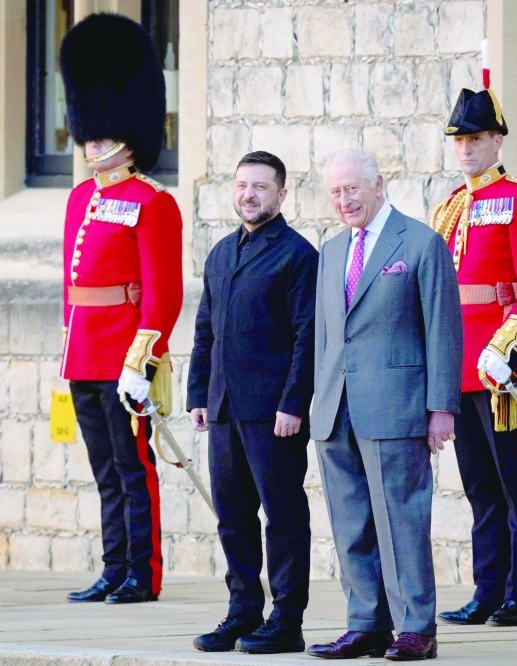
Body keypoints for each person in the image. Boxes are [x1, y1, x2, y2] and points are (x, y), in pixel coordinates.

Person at [307, 148, 463, 662]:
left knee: (401, 521)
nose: (344, 200)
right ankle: (365, 624)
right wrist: (317, 401)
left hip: (397, 406)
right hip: (337, 408)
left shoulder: (421, 243)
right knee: (350, 522)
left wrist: (441, 408)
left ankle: (416, 627)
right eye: (335, 192)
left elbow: (444, 330)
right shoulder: (330, 251)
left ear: (378, 184)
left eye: (352, 188)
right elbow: (327, 337)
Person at [59, 13, 183, 605]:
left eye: (101, 135)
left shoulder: (151, 202)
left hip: (125, 354)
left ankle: (142, 572)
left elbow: (164, 292)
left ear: (126, 133)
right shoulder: (81, 197)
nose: (91, 145)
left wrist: (144, 357)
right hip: (84, 352)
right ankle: (113, 568)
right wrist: (70, 348)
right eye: (88, 134)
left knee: (135, 470)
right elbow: (72, 284)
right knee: (105, 472)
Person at [431, 51, 517, 628]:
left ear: (498, 141)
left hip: (501, 360)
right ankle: (486, 591)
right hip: (460, 363)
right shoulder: (450, 208)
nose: (466, 149)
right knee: (479, 486)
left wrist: (507, 347)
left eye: (476, 138)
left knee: (515, 484)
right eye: (459, 140)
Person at [187, 151, 318, 654]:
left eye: (261, 186)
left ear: (281, 194)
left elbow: (308, 336)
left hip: (274, 414)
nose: (249, 194)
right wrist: (199, 393)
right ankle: (242, 612)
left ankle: (286, 620)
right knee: (232, 516)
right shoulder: (221, 253)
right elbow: (205, 330)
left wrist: (294, 404)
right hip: (223, 409)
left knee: (283, 516)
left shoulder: (298, 255)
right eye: (242, 185)